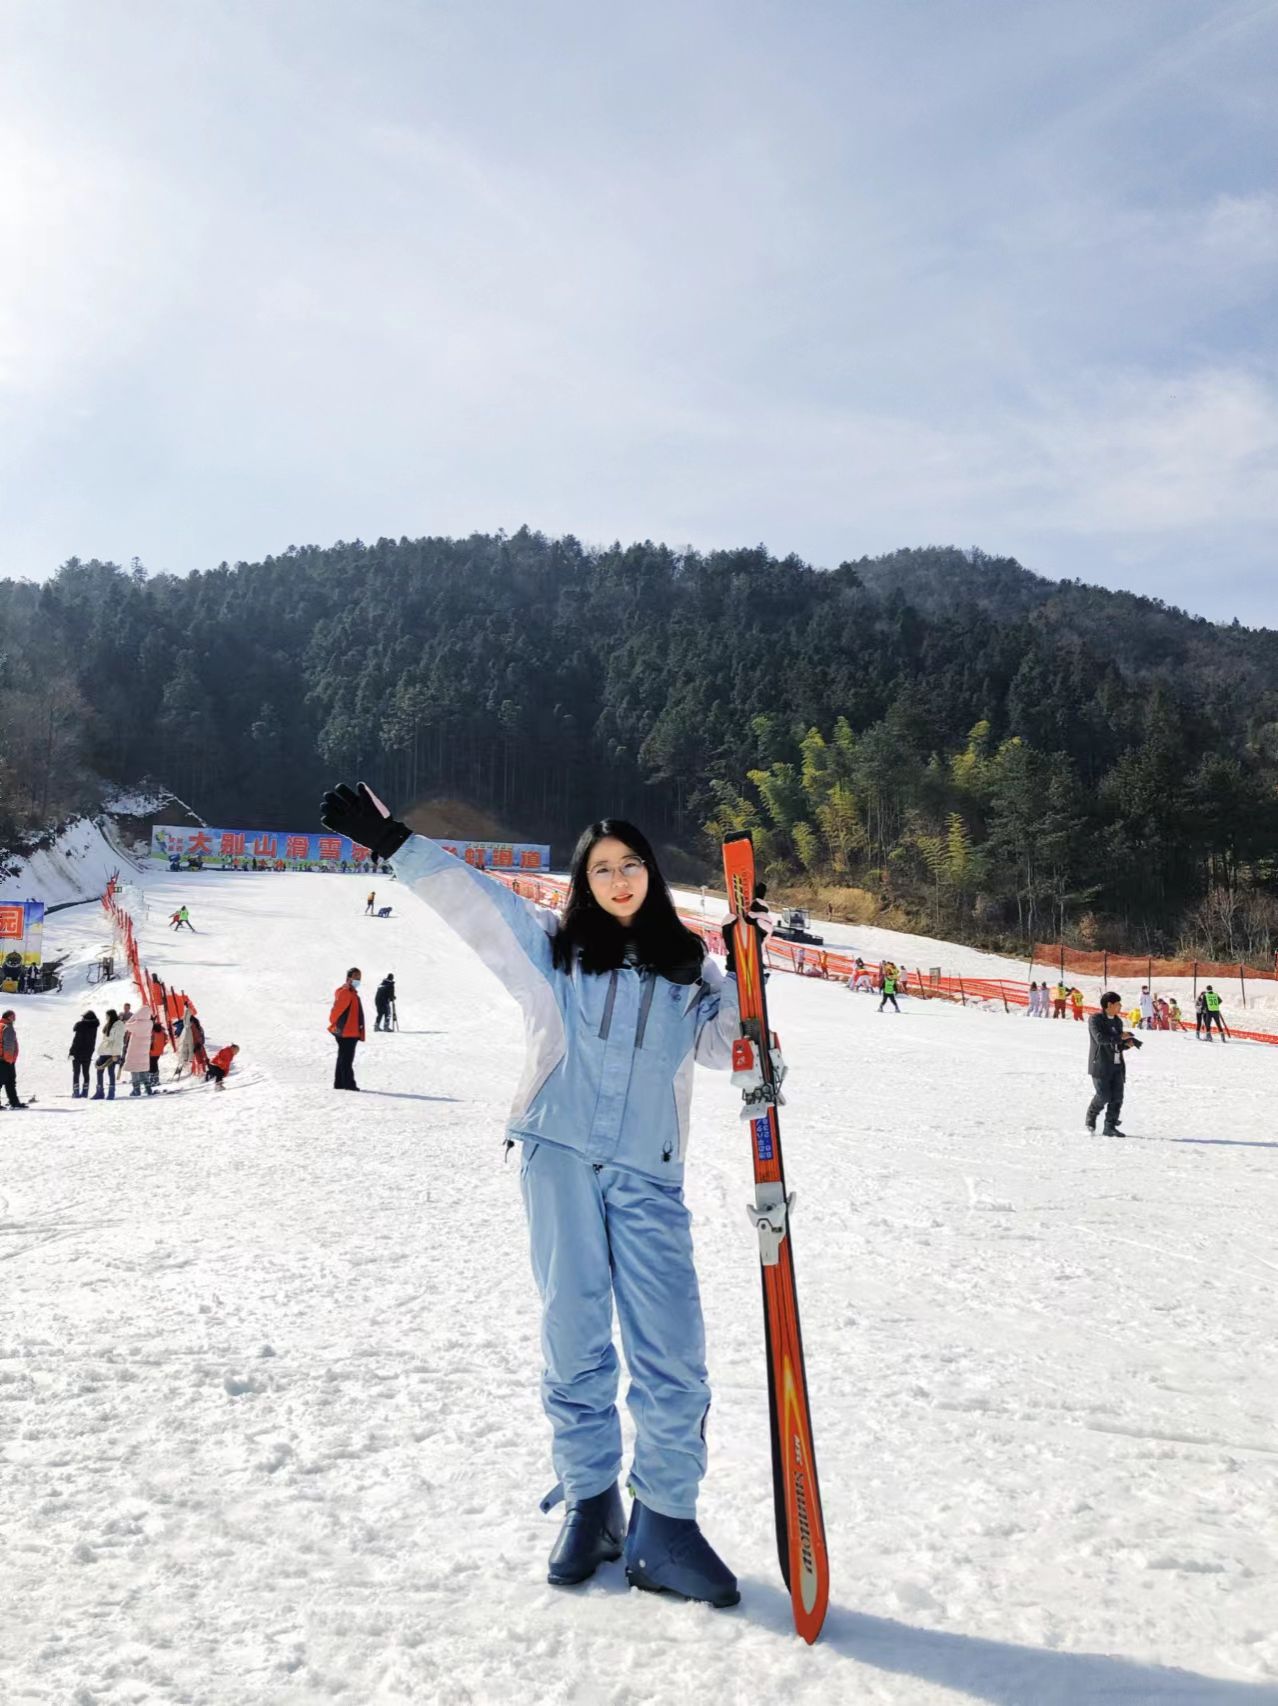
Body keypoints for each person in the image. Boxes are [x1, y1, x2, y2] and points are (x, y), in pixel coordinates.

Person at [320, 780, 742, 1608]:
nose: (618, 880)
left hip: (649, 1170)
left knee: (672, 1350)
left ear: (651, 874)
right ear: (584, 882)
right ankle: (592, 1501)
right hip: (557, 1154)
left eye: (631, 865)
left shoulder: (693, 970)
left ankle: (666, 1522)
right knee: (573, 1333)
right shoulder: (554, 949)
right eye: (601, 869)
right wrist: (394, 842)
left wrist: (749, 976)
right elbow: (476, 904)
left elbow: (735, 1050)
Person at [1085, 991, 1142, 1135]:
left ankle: (1109, 1127)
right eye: (1118, 1004)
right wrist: (1119, 1037)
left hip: (1117, 1065)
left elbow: (1117, 1044)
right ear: (1109, 1005)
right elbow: (1100, 1039)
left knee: (1117, 1097)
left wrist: (1126, 1044)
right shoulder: (1095, 1019)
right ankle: (1091, 1115)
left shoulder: (1117, 1021)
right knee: (1103, 1095)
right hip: (1100, 1064)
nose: (1120, 1006)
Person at [329, 967, 365, 1089]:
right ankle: (349, 1084)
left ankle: (339, 1083)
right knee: (346, 1059)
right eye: (356, 977)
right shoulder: (346, 992)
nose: (358, 979)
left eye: (359, 977)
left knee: (343, 1057)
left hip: (350, 1031)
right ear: (349, 978)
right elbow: (336, 1011)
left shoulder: (351, 992)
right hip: (347, 1032)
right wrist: (335, 1024)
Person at [123, 1007, 157, 1096]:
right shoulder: (150, 1023)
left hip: (135, 1050)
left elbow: (126, 1025)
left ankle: (136, 1090)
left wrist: (133, 1017)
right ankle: (148, 1089)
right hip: (144, 1051)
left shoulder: (137, 1024)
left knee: (134, 1070)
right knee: (143, 1070)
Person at [93, 1008, 124, 1099]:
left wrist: (115, 1054)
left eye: (107, 1016)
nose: (106, 1018)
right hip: (105, 1051)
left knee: (111, 1072)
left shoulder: (118, 1026)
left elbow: (118, 1041)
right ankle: (100, 1092)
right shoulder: (109, 1024)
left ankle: (111, 1093)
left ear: (111, 1016)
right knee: (99, 1070)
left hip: (112, 1053)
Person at [69, 1010, 100, 1098]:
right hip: (88, 1053)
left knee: (76, 1072)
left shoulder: (81, 1026)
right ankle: (85, 1092)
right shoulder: (94, 1027)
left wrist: (71, 1053)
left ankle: (76, 1092)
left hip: (77, 1053)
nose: (82, 1018)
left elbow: (76, 1041)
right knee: (86, 1073)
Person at [0, 1009, 24, 1108]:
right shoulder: (7, 1027)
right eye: (13, 1016)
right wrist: (9, 1059)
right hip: (5, 1060)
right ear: (8, 1017)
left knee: (9, 1081)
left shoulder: (1, 1025)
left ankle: (14, 1102)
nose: (15, 1018)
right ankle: (14, 1102)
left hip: (4, 1059)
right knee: (7, 1081)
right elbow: (8, 1045)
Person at [148, 1017, 169, 1089]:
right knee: (155, 1064)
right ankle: (156, 1080)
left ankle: (152, 1080)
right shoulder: (162, 1030)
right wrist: (162, 1046)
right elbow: (166, 1039)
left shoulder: (151, 1031)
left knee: (151, 1065)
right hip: (159, 1051)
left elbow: (148, 1041)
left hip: (152, 1051)